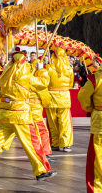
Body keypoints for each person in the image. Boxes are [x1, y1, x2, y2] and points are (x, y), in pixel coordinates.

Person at [0, 49, 56, 181]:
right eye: (26, 60)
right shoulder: (24, 75)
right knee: (32, 143)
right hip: (20, 114)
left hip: (4, 112)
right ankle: (41, 170)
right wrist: (42, 70)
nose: (27, 62)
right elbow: (43, 83)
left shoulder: (5, 74)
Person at [78, 54, 102, 193]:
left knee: (97, 158)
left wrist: (89, 107)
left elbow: (82, 96)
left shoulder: (95, 78)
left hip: (99, 120)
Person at [45, 47, 74, 152]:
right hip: (64, 97)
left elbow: (44, 83)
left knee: (53, 122)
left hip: (51, 97)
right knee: (65, 122)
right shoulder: (69, 69)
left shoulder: (48, 68)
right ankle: (66, 144)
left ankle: (55, 143)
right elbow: (70, 84)